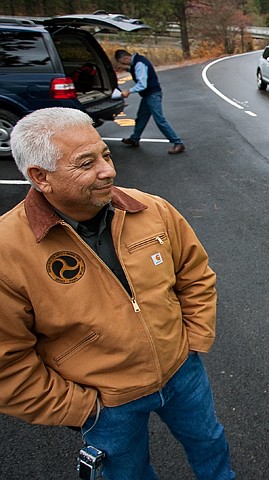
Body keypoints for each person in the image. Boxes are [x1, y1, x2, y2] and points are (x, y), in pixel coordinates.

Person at [0, 107, 234, 479]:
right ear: (40, 177)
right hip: (107, 403)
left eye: (105, 154)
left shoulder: (152, 209)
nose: (108, 170)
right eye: (86, 163)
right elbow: (7, 364)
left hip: (182, 372)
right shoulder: (7, 252)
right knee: (128, 474)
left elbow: (195, 275)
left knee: (210, 443)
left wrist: (195, 340)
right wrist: (80, 408)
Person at [114, 49, 186, 154]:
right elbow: (141, 73)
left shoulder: (139, 64)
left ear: (125, 58)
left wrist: (129, 91)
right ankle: (134, 138)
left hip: (152, 95)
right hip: (149, 95)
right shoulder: (138, 61)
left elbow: (143, 84)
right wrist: (127, 69)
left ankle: (178, 143)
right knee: (141, 117)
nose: (123, 64)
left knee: (160, 120)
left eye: (122, 62)